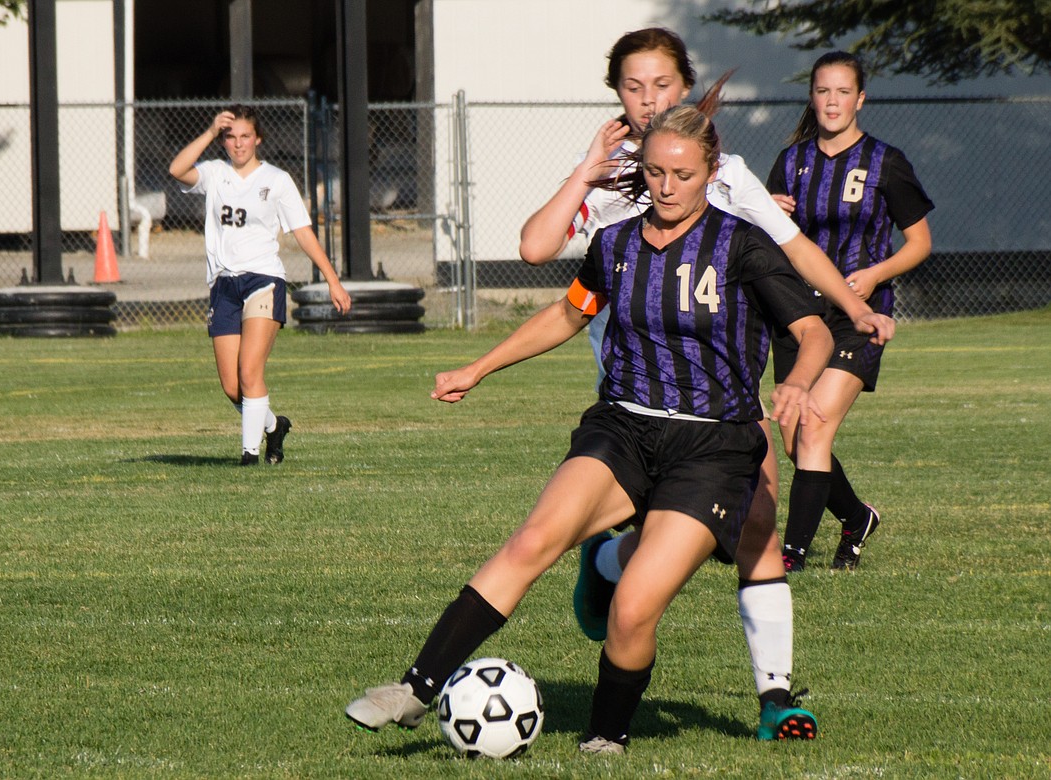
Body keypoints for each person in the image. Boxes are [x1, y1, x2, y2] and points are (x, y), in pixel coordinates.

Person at [345, 105, 833, 754]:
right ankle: (415, 687)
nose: (666, 187)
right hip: (623, 426)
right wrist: (480, 366)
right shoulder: (618, 243)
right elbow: (569, 314)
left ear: (710, 172)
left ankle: (606, 736)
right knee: (532, 541)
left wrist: (798, 380)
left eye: (682, 175)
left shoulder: (742, 245)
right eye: (655, 172)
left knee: (632, 610)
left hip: (712, 448)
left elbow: (813, 331)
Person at [520, 27, 891, 736]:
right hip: (632, 406)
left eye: (661, 84)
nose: (648, 98)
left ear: (684, 89)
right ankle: (605, 562)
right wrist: (583, 173)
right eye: (633, 86)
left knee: (758, 518)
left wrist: (853, 307)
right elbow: (536, 250)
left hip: (717, 398)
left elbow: (792, 248)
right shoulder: (600, 170)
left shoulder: (722, 171)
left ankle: (775, 695)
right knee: (649, 554)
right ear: (616, 95)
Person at [766, 51, 934, 571]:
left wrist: (876, 274)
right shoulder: (791, 161)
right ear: (812, 97)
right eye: (823, 91)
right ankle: (856, 516)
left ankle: (790, 554)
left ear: (860, 99)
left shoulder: (886, 161)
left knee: (814, 427)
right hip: (800, 315)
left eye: (843, 91)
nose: (832, 101)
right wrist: (767, 211)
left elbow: (919, 242)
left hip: (860, 315)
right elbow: (765, 237)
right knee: (796, 436)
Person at [169, 105, 351, 466]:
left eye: (245, 136)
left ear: (258, 139)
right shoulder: (215, 173)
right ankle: (274, 426)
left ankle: (249, 456)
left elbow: (302, 232)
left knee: (251, 372)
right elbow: (177, 170)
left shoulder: (277, 180)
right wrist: (208, 132)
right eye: (231, 136)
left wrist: (333, 280)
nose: (238, 144)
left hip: (264, 281)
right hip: (224, 285)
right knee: (232, 386)